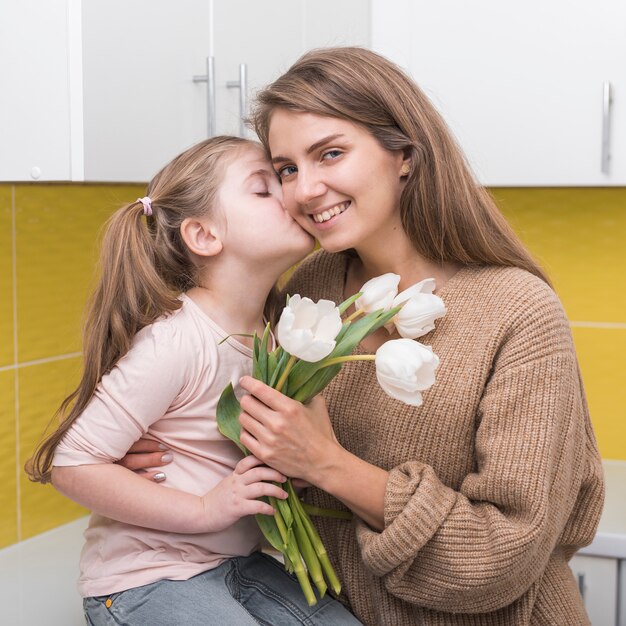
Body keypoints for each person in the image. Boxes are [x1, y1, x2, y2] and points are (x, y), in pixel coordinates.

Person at [25, 136, 363, 626]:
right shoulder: (177, 342)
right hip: (146, 578)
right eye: (263, 190)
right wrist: (207, 509)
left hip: (238, 564)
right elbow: (73, 465)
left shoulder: (279, 334)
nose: (293, 195)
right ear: (204, 236)